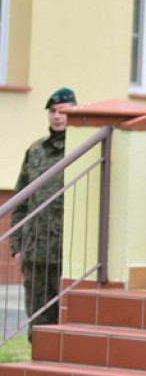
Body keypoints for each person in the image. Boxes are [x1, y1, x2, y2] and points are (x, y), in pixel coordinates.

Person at [11, 88, 76, 338]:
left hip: (65, 252)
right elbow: (21, 200)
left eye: (63, 111)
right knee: (37, 319)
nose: (57, 116)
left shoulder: (80, 148)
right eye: (52, 111)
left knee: (65, 317)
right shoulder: (35, 150)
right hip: (36, 250)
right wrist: (17, 246)